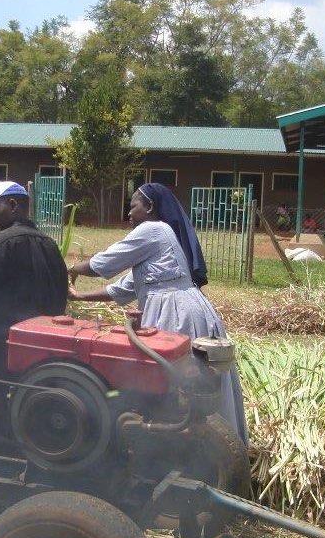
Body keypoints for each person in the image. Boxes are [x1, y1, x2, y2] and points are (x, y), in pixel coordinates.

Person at [67, 182, 247, 443]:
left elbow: (105, 262)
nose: (129, 213)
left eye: (133, 206)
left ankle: (189, 445)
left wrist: (72, 270)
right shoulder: (159, 242)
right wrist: (80, 296)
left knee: (178, 383)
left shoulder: (153, 229)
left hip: (175, 313)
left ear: (150, 207)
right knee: (189, 382)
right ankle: (192, 443)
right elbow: (122, 289)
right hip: (182, 306)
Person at [0, 181, 68, 452]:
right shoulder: (51, 246)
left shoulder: (0, 244)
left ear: (13, 205)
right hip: (47, 353)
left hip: (7, 350)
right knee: (34, 408)